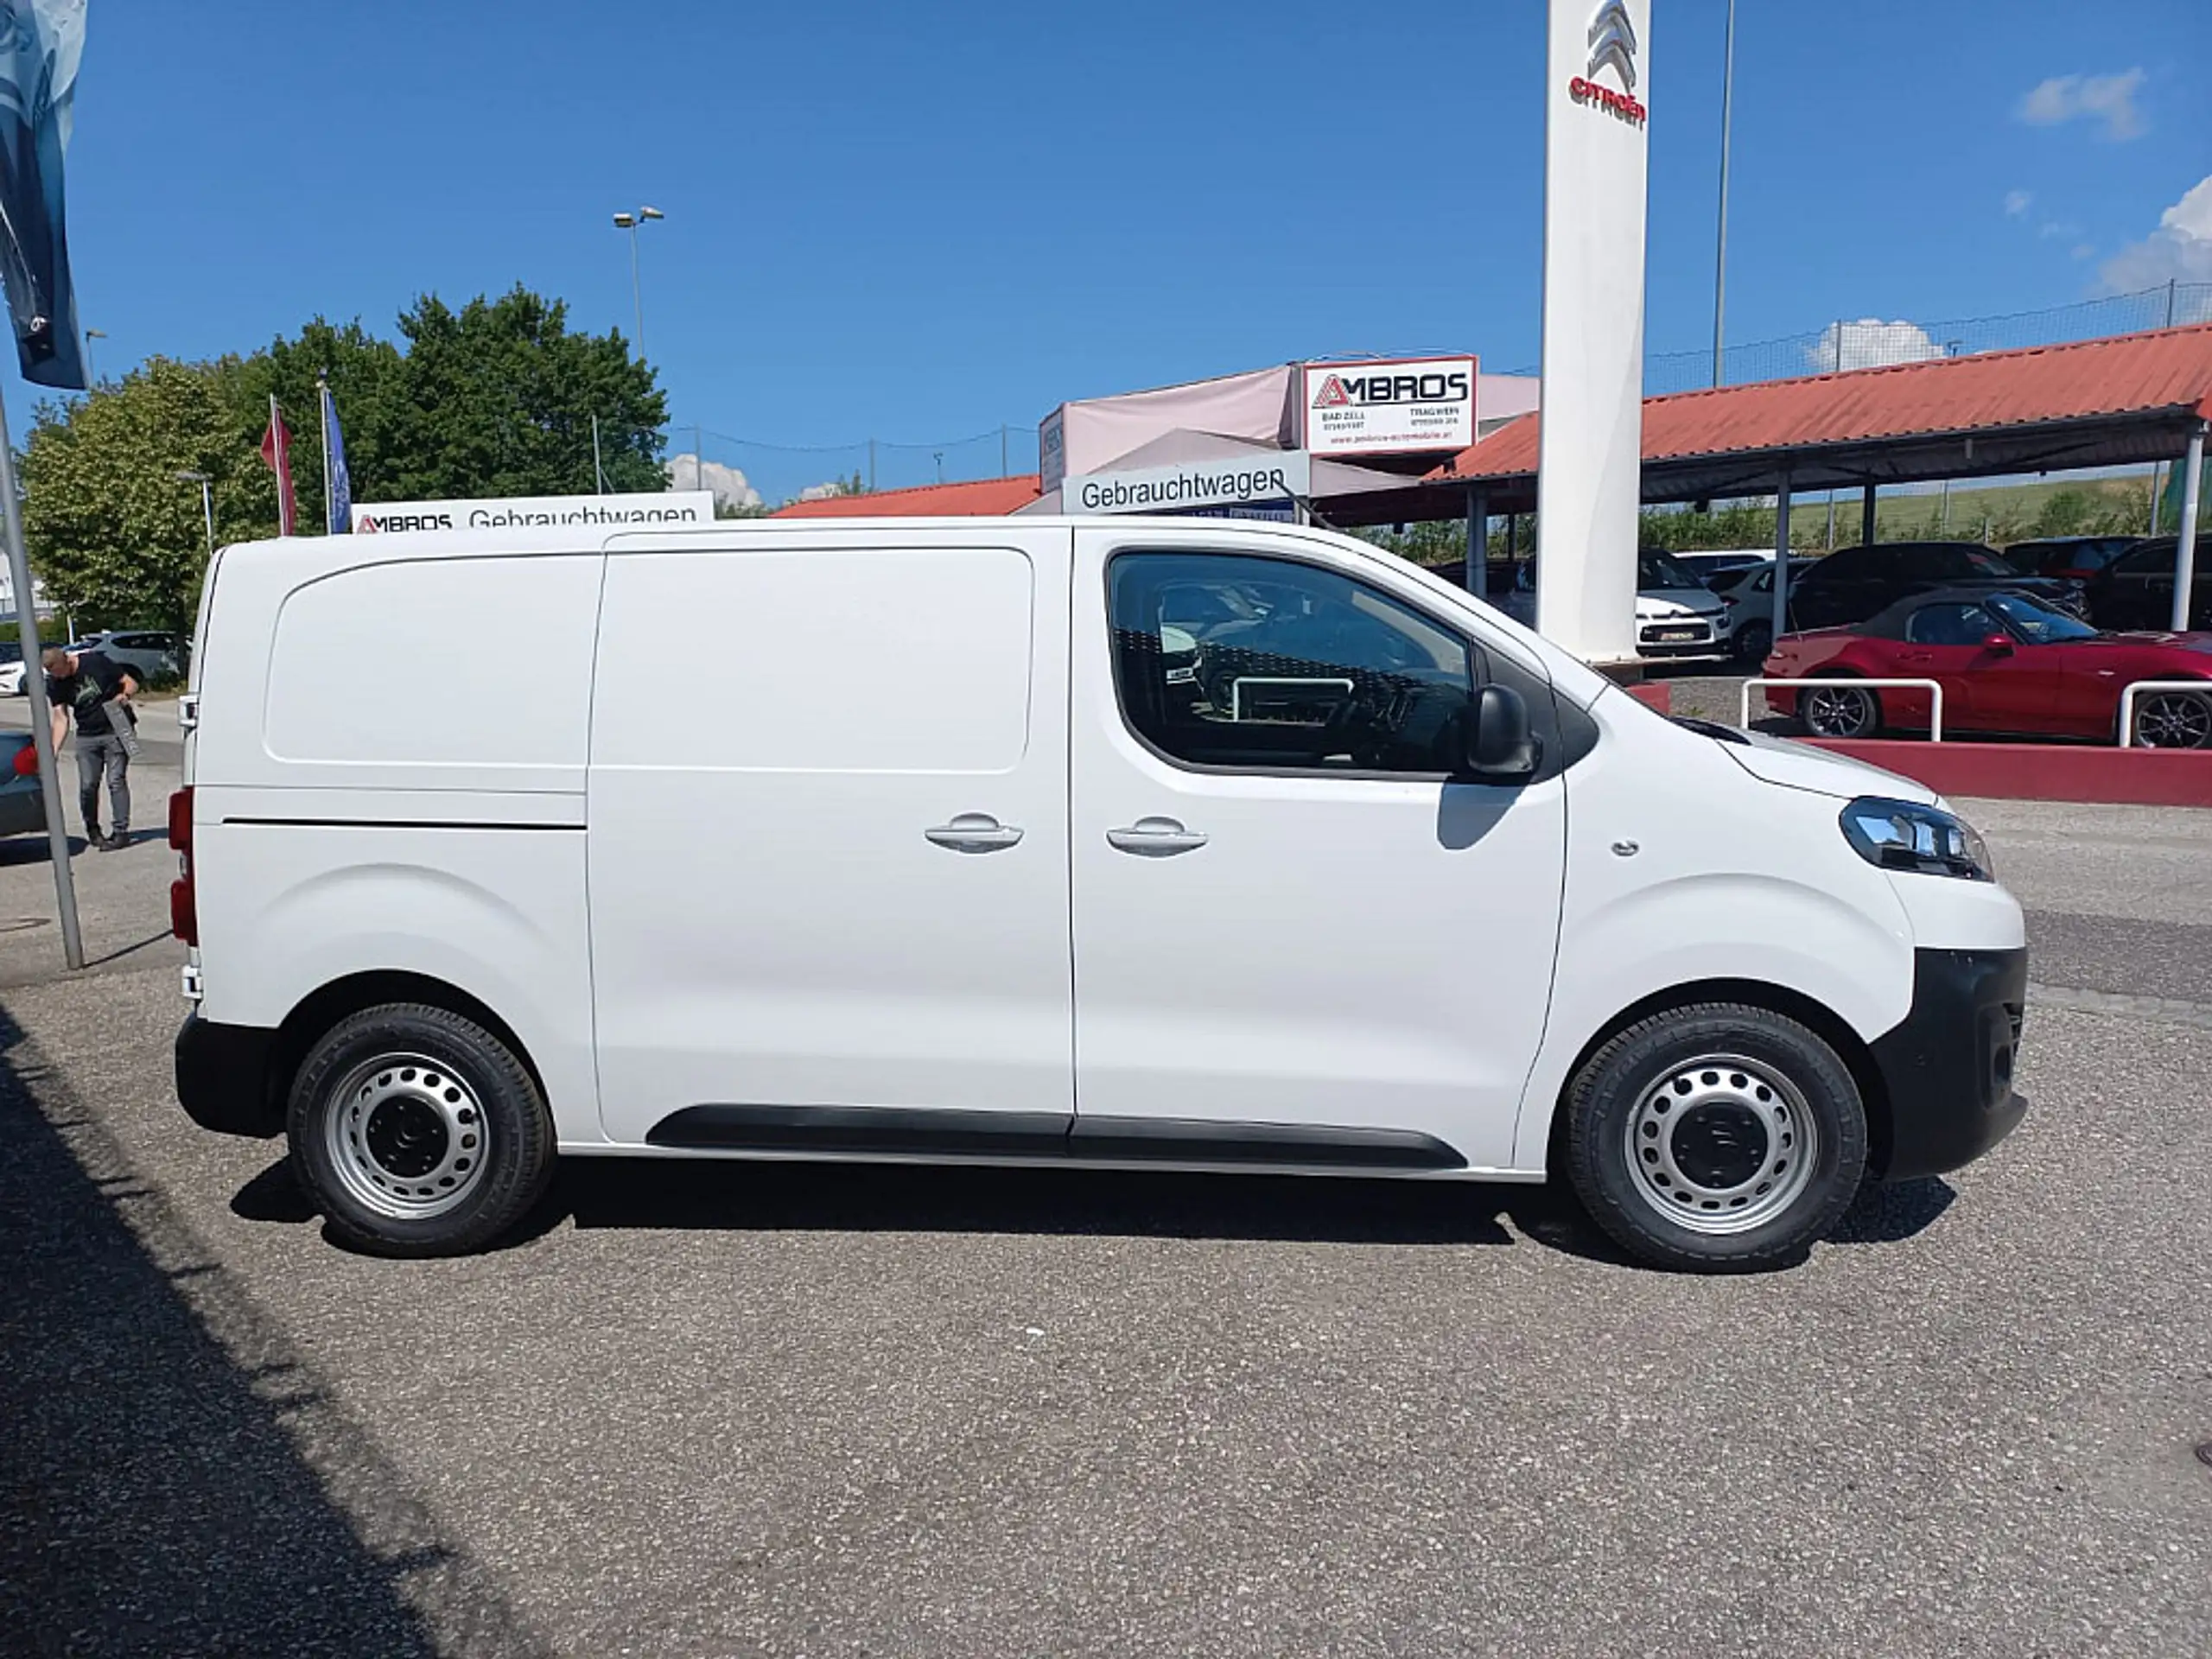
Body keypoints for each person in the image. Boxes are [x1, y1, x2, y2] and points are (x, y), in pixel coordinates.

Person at [42, 644, 139, 850]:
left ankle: (121, 832)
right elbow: (60, 719)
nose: (59, 678)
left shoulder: (95, 662)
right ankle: (93, 830)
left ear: (68, 661)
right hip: (87, 735)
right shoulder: (54, 683)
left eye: (60, 672)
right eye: (54, 675)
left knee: (116, 780)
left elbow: (130, 683)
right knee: (88, 785)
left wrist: (124, 696)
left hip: (116, 728)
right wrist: (52, 751)